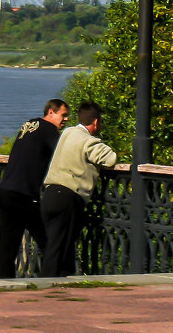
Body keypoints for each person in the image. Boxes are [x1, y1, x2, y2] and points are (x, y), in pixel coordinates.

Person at [40, 101, 117, 277]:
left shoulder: (67, 133)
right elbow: (110, 159)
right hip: (68, 197)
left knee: (55, 246)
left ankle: (58, 289)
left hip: (50, 193)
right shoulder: (87, 140)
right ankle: (47, 290)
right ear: (96, 122)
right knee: (59, 249)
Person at [0, 98, 69, 278]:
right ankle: (60, 276)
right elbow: (62, 154)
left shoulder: (29, 124)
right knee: (48, 238)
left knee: (8, 241)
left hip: (6, 191)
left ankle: (3, 280)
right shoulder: (48, 129)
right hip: (24, 195)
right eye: (63, 115)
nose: (66, 119)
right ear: (51, 112)